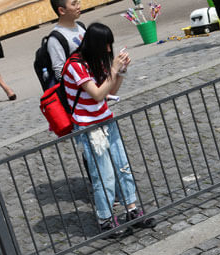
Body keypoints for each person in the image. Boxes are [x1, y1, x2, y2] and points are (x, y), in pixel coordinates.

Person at [63, 23, 151, 233]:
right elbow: (97, 94)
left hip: (105, 119)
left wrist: (120, 72)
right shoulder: (75, 65)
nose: (109, 50)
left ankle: (132, 209)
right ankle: (106, 220)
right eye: (107, 45)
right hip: (89, 127)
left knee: (123, 166)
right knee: (104, 174)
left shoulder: (94, 61)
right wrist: (113, 68)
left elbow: (110, 89)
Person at [48, 0, 86, 81]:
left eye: (78, 2)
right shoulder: (55, 38)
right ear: (62, 10)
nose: (78, 6)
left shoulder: (81, 27)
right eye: (73, 4)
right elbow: (59, 74)